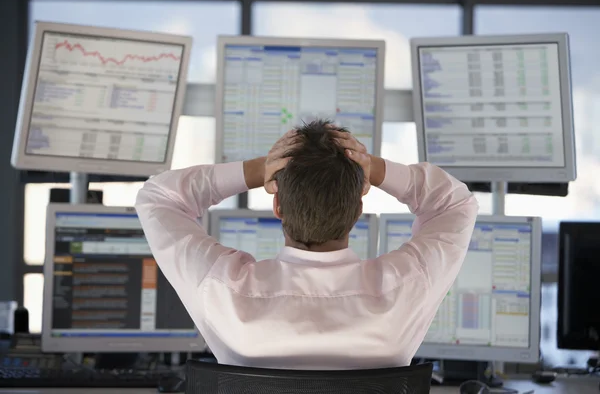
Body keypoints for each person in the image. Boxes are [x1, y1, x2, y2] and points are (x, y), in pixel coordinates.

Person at [135, 120, 479, 370]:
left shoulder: (221, 287)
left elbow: (158, 197)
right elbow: (454, 204)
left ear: (278, 207)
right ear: (358, 210)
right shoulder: (407, 285)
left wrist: (258, 170)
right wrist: (373, 168)